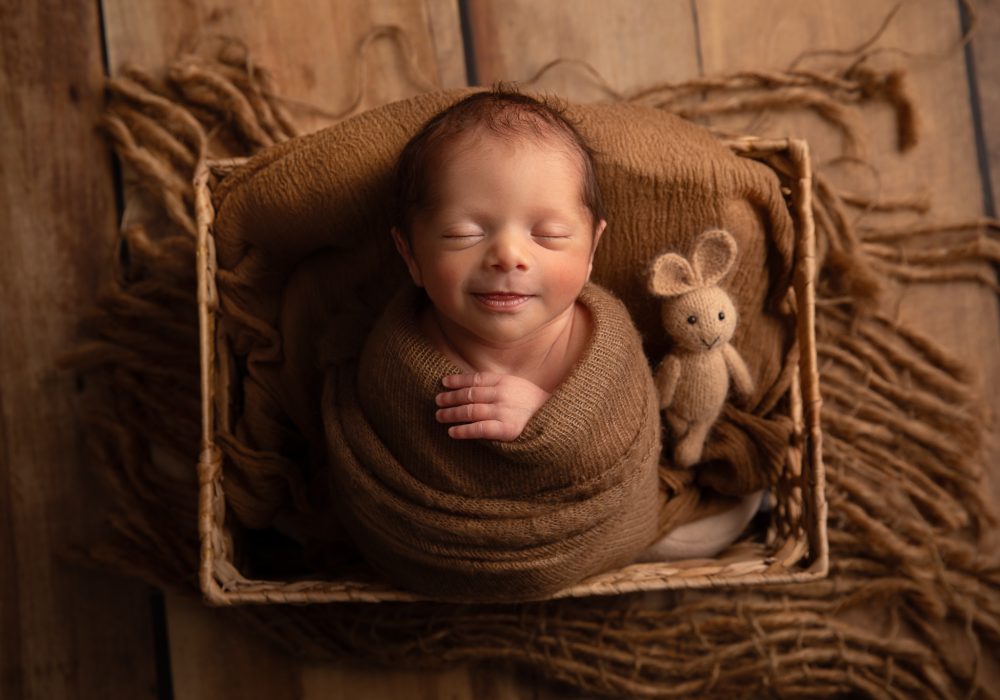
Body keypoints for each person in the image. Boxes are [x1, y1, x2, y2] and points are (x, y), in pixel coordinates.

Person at [390, 86, 607, 442]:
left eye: (548, 235)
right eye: (464, 234)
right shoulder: (394, 365)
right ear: (410, 255)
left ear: (592, 251)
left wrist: (548, 422)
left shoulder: (603, 350)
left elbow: (626, 451)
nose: (508, 256)